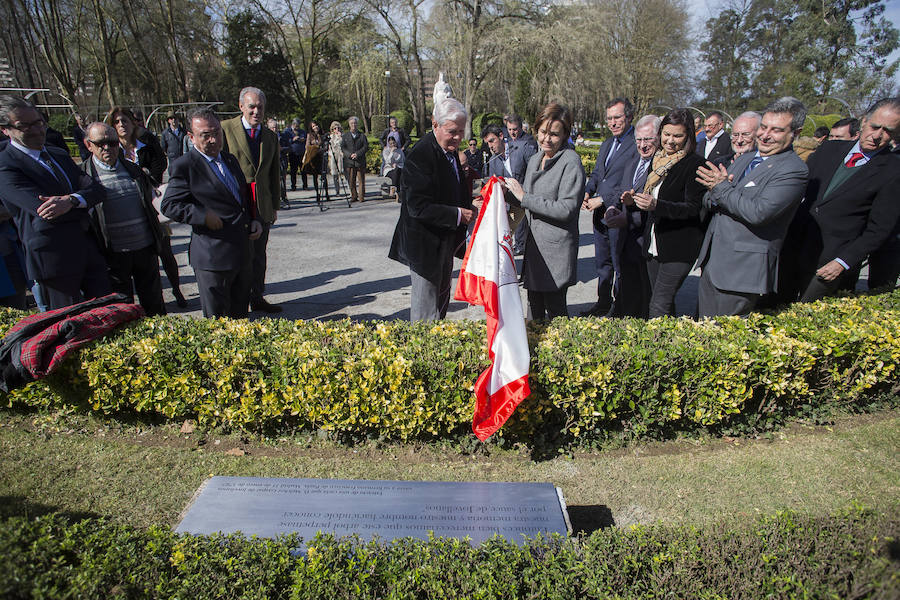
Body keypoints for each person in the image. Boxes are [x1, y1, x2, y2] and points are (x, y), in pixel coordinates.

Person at [694, 97, 809, 318]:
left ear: (796, 133)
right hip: (713, 262)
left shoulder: (793, 170)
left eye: (776, 130)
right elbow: (710, 200)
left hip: (741, 270)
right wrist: (718, 191)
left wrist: (720, 188)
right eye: (763, 127)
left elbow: (758, 212)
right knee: (703, 338)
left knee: (726, 341)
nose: (765, 135)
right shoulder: (746, 158)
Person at [781, 97, 900, 303]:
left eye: (888, 130)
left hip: (830, 264)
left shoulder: (893, 171)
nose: (878, 135)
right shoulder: (828, 150)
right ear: (863, 122)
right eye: (875, 126)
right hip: (793, 248)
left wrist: (843, 262)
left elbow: (879, 229)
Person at [0, 95, 110, 309]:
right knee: (68, 326)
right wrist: (81, 201)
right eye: (25, 126)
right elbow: (43, 211)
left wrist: (71, 200)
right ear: (6, 129)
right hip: (53, 260)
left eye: (38, 122)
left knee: (108, 314)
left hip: (88, 250)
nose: (36, 130)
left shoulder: (58, 154)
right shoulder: (6, 165)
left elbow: (97, 190)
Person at [161, 108, 262, 318]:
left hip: (241, 253)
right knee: (217, 325)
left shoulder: (230, 160)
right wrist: (202, 215)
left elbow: (242, 198)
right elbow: (170, 205)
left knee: (240, 321)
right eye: (205, 135)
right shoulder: (185, 166)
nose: (213, 139)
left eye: (216, 132)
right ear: (191, 137)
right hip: (213, 258)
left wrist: (254, 219)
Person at [388, 96, 475, 321]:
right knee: (426, 311)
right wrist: (457, 214)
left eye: (461, 131)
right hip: (424, 245)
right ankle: (423, 352)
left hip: (444, 239)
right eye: (452, 131)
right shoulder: (421, 154)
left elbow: (453, 187)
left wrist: (471, 204)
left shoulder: (450, 150)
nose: (458, 138)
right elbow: (418, 206)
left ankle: (438, 344)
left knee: (442, 300)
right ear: (435, 124)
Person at [502, 102, 584, 320]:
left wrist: (523, 197)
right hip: (534, 249)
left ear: (566, 134)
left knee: (556, 313)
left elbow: (567, 209)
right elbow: (524, 199)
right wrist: (501, 194)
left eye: (554, 134)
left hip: (555, 253)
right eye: (542, 132)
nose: (547, 139)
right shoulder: (536, 159)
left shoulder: (571, 162)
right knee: (534, 310)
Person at [80, 122, 166, 316]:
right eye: (100, 143)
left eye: (112, 142)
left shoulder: (134, 171)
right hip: (113, 255)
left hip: (144, 249)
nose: (107, 148)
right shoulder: (84, 177)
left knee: (154, 305)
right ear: (88, 145)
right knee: (121, 309)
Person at [628, 108, 706, 318]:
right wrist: (633, 200)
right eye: (667, 134)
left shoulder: (695, 165)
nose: (671, 141)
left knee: (658, 305)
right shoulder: (657, 160)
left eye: (678, 136)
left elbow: (693, 208)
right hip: (654, 243)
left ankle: (656, 348)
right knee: (661, 300)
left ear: (689, 136)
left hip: (679, 246)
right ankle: (670, 342)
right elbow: (650, 195)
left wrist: (657, 205)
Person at [221, 86, 283, 313]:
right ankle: (236, 301)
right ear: (241, 106)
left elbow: (273, 173)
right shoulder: (225, 129)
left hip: (262, 205)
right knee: (238, 255)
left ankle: (257, 296)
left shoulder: (270, 136)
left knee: (259, 255)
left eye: (260, 107)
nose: (256, 111)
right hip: (236, 204)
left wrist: (274, 205)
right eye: (252, 107)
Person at [598, 114, 661, 319]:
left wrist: (630, 217)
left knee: (647, 298)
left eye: (648, 140)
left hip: (647, 242)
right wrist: (611, 208)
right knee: (627, 290)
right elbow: (621, 191)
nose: (642, 146)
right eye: (639, 140)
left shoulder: (661, 166)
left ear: (659, 138)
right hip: (626, 240)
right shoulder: (633, 160)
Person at [581, 97, 638, 316]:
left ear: (629, 117)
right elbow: (597, 174)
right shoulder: (607, 144)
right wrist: (588, 190)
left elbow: (630, 182)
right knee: (602, 263)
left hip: (619, 213)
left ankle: (619, 307)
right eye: (609, 119)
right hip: (600, 216)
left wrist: (602, 198)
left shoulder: (635, 144)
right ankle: (602, 302)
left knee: (618, 263)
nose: (612, 123)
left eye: (617, 118)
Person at [108, 106, 167, 184]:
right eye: (116, 122)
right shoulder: (111, 151)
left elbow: (161, 165)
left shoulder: (148, 145)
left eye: (124, 120)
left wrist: (147, 177)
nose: (121, 124)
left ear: (132, 123)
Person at [342, 116, 368, 203]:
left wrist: (357, 154)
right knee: (351, 180)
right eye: (352, 123)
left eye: (355, 123)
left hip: (360, 161)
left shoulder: (362, 135)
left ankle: (361, 197)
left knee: (361, 180)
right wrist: (350, 155)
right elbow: (343, 147)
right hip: (349, 162)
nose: (354, 125)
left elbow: (365, 147)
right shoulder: (345, 136)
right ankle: (354, 196)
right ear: (349, 125)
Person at [302, 120, 328, 204]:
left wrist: (322, 148)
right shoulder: (310, 135)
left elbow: (326, 145)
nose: (315, 127)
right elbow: (307, 146)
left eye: (316, 125)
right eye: (313, 126)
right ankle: (317, 194)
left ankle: (327, 194)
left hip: (321, 157)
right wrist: (315, 147)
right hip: (314, 158)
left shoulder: (322, 134)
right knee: (315, 177)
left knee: (324, 176)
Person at [160, 111, 186, 177]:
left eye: (175, 118)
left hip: (183, 159)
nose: (173, 120)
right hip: (172, 160)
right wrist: (170, 153)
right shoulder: (165, 133)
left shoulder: (184, 132)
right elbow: (163, 147)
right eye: (171, 118)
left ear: (178, 120)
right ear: (168, 121)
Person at [284, 118, 306, 190]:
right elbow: (285, 141)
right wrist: (292, 139)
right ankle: (293, 185)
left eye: (298, 125)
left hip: (301, 153)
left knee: (303, 170)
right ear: (293, 124)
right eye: (296, 125)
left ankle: (305, 185)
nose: (297, 127)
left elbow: (305, 138)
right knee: (293, 170)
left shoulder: (302, 131)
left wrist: (302, 139)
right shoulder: (287, 132)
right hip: (292, 153)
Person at [327, 121, 344, 194]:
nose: (336, 130)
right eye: (335, 128)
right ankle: (337, 190)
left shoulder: (343, 136)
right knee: (334, 174)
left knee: (343, 173)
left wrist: (340, 137)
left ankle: (350, 190)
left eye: (338, 128)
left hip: (341, 155)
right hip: (333, 155)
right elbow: (329, 148)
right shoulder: (330, 137)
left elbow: (343, 145)